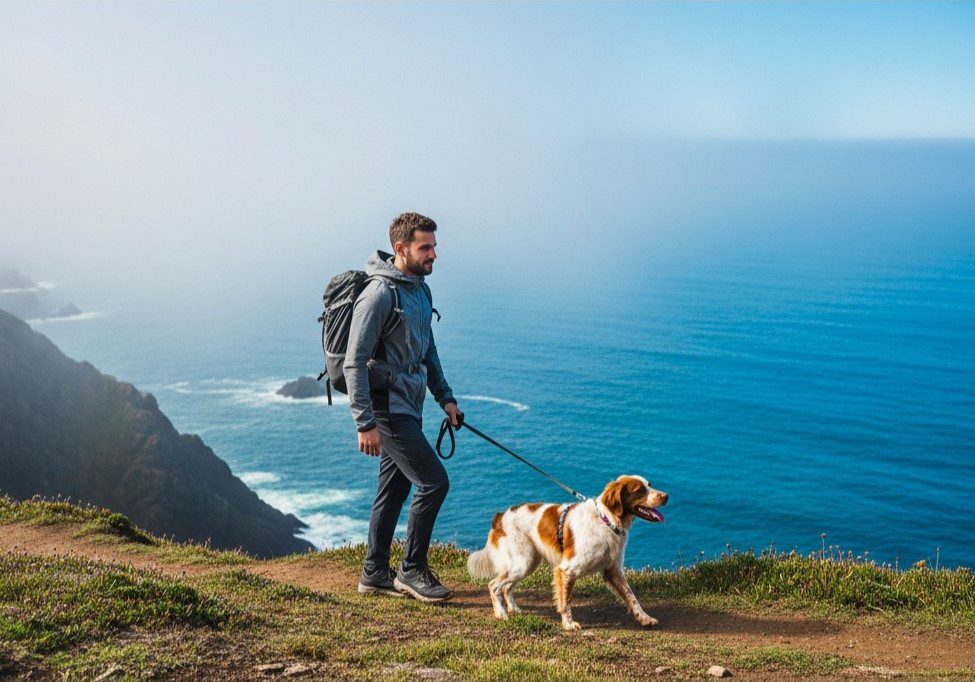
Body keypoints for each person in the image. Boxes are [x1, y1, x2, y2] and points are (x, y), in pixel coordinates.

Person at [345, 212, 463, 602]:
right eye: (425, 247)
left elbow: (427, 350)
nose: (433, 255)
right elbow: (354, 360)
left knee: (393, 489)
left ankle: (374, 572)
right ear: (401, 249)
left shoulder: (420, 290)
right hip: (387, 409)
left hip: (409, 404)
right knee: (433, 482)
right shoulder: (380, 294)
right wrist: (364, 422)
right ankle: (411, 569)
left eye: (434, 247)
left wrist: (445, 398)